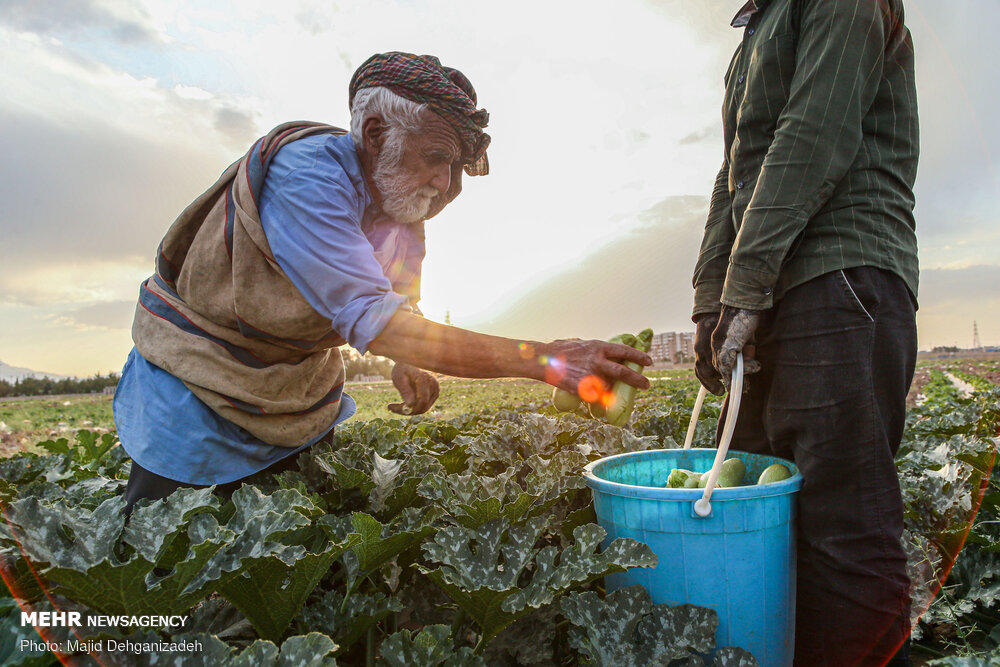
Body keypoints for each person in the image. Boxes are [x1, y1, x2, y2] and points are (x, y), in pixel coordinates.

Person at [115, 51, 651, 513]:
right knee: (166, 548)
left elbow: (401, 302)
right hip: (197, 376)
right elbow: (375, 318)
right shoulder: (306, 178)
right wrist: (550, 360)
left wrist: (408, 359)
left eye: (457, 167)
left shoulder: (402, 208)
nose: (446, 183)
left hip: (295, 391)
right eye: (437, 158)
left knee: (278, 541)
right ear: (374, 134)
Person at [691, 2, 919, 665]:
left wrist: (745, 283)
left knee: (841, 534)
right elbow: (734, 171)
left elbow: (815, 131)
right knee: (769, 524)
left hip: (837, 274)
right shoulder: (760, 26)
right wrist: (712, 293)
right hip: (774, 287)